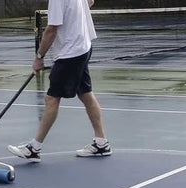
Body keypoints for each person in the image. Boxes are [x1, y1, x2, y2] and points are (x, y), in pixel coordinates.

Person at [7, 0, 111, 163]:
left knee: (52, 98)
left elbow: (51, 30)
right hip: (83, 46)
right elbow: (90, 1)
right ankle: (101, 143)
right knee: (85, 94)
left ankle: (34, 148)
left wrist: (39, 57)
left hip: (71, 52)